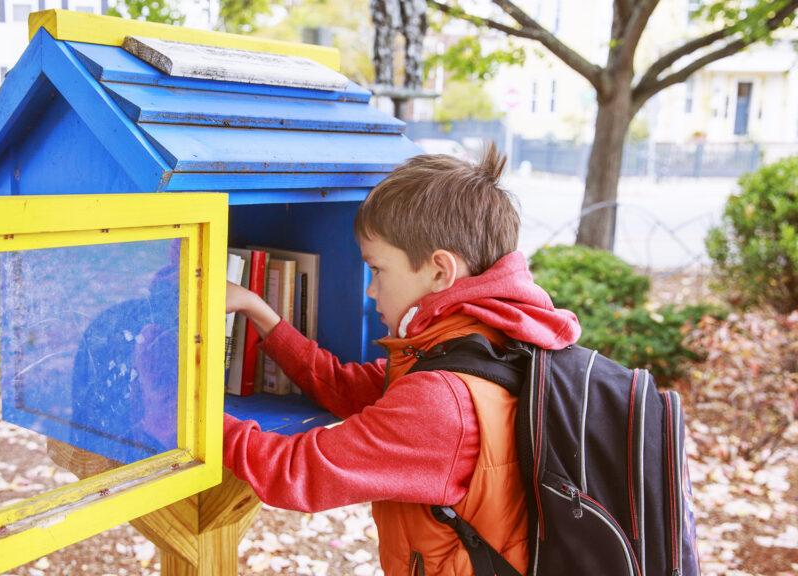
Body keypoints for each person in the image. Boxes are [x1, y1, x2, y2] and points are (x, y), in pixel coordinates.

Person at [222, 144, 582, 575]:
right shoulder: (489, 336)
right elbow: (346, 386)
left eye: (377, 270)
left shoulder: (442, 400)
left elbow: (296, 471)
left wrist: (187, 414)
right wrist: (259, 312)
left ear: (439, 271)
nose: (371, 290)